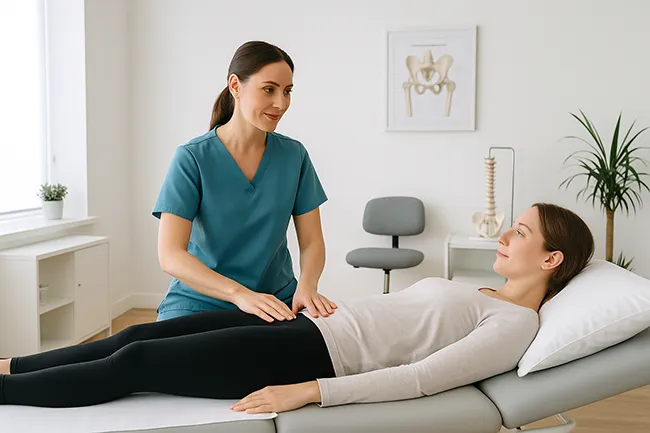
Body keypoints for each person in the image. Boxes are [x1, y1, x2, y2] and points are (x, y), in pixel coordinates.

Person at [0, 203, 595, 414]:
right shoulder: (483, 294)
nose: (506, 237)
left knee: (137, 361)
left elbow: (420, 379)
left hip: (317, 354)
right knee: (155, 333)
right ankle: (15, 367)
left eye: (520, 232)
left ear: (551, 260)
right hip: (306, 322)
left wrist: (307, 391)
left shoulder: (517, 323)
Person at [152, 40, 337, 322]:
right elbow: (170, 255)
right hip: (201, 301)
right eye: (269, 89)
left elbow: (312, 241)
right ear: (235, 86)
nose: (281, 103)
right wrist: (239, 294)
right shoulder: (192, 158)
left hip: (277, 301)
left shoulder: (294, 155)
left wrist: (307, 286)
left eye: (287, 91)